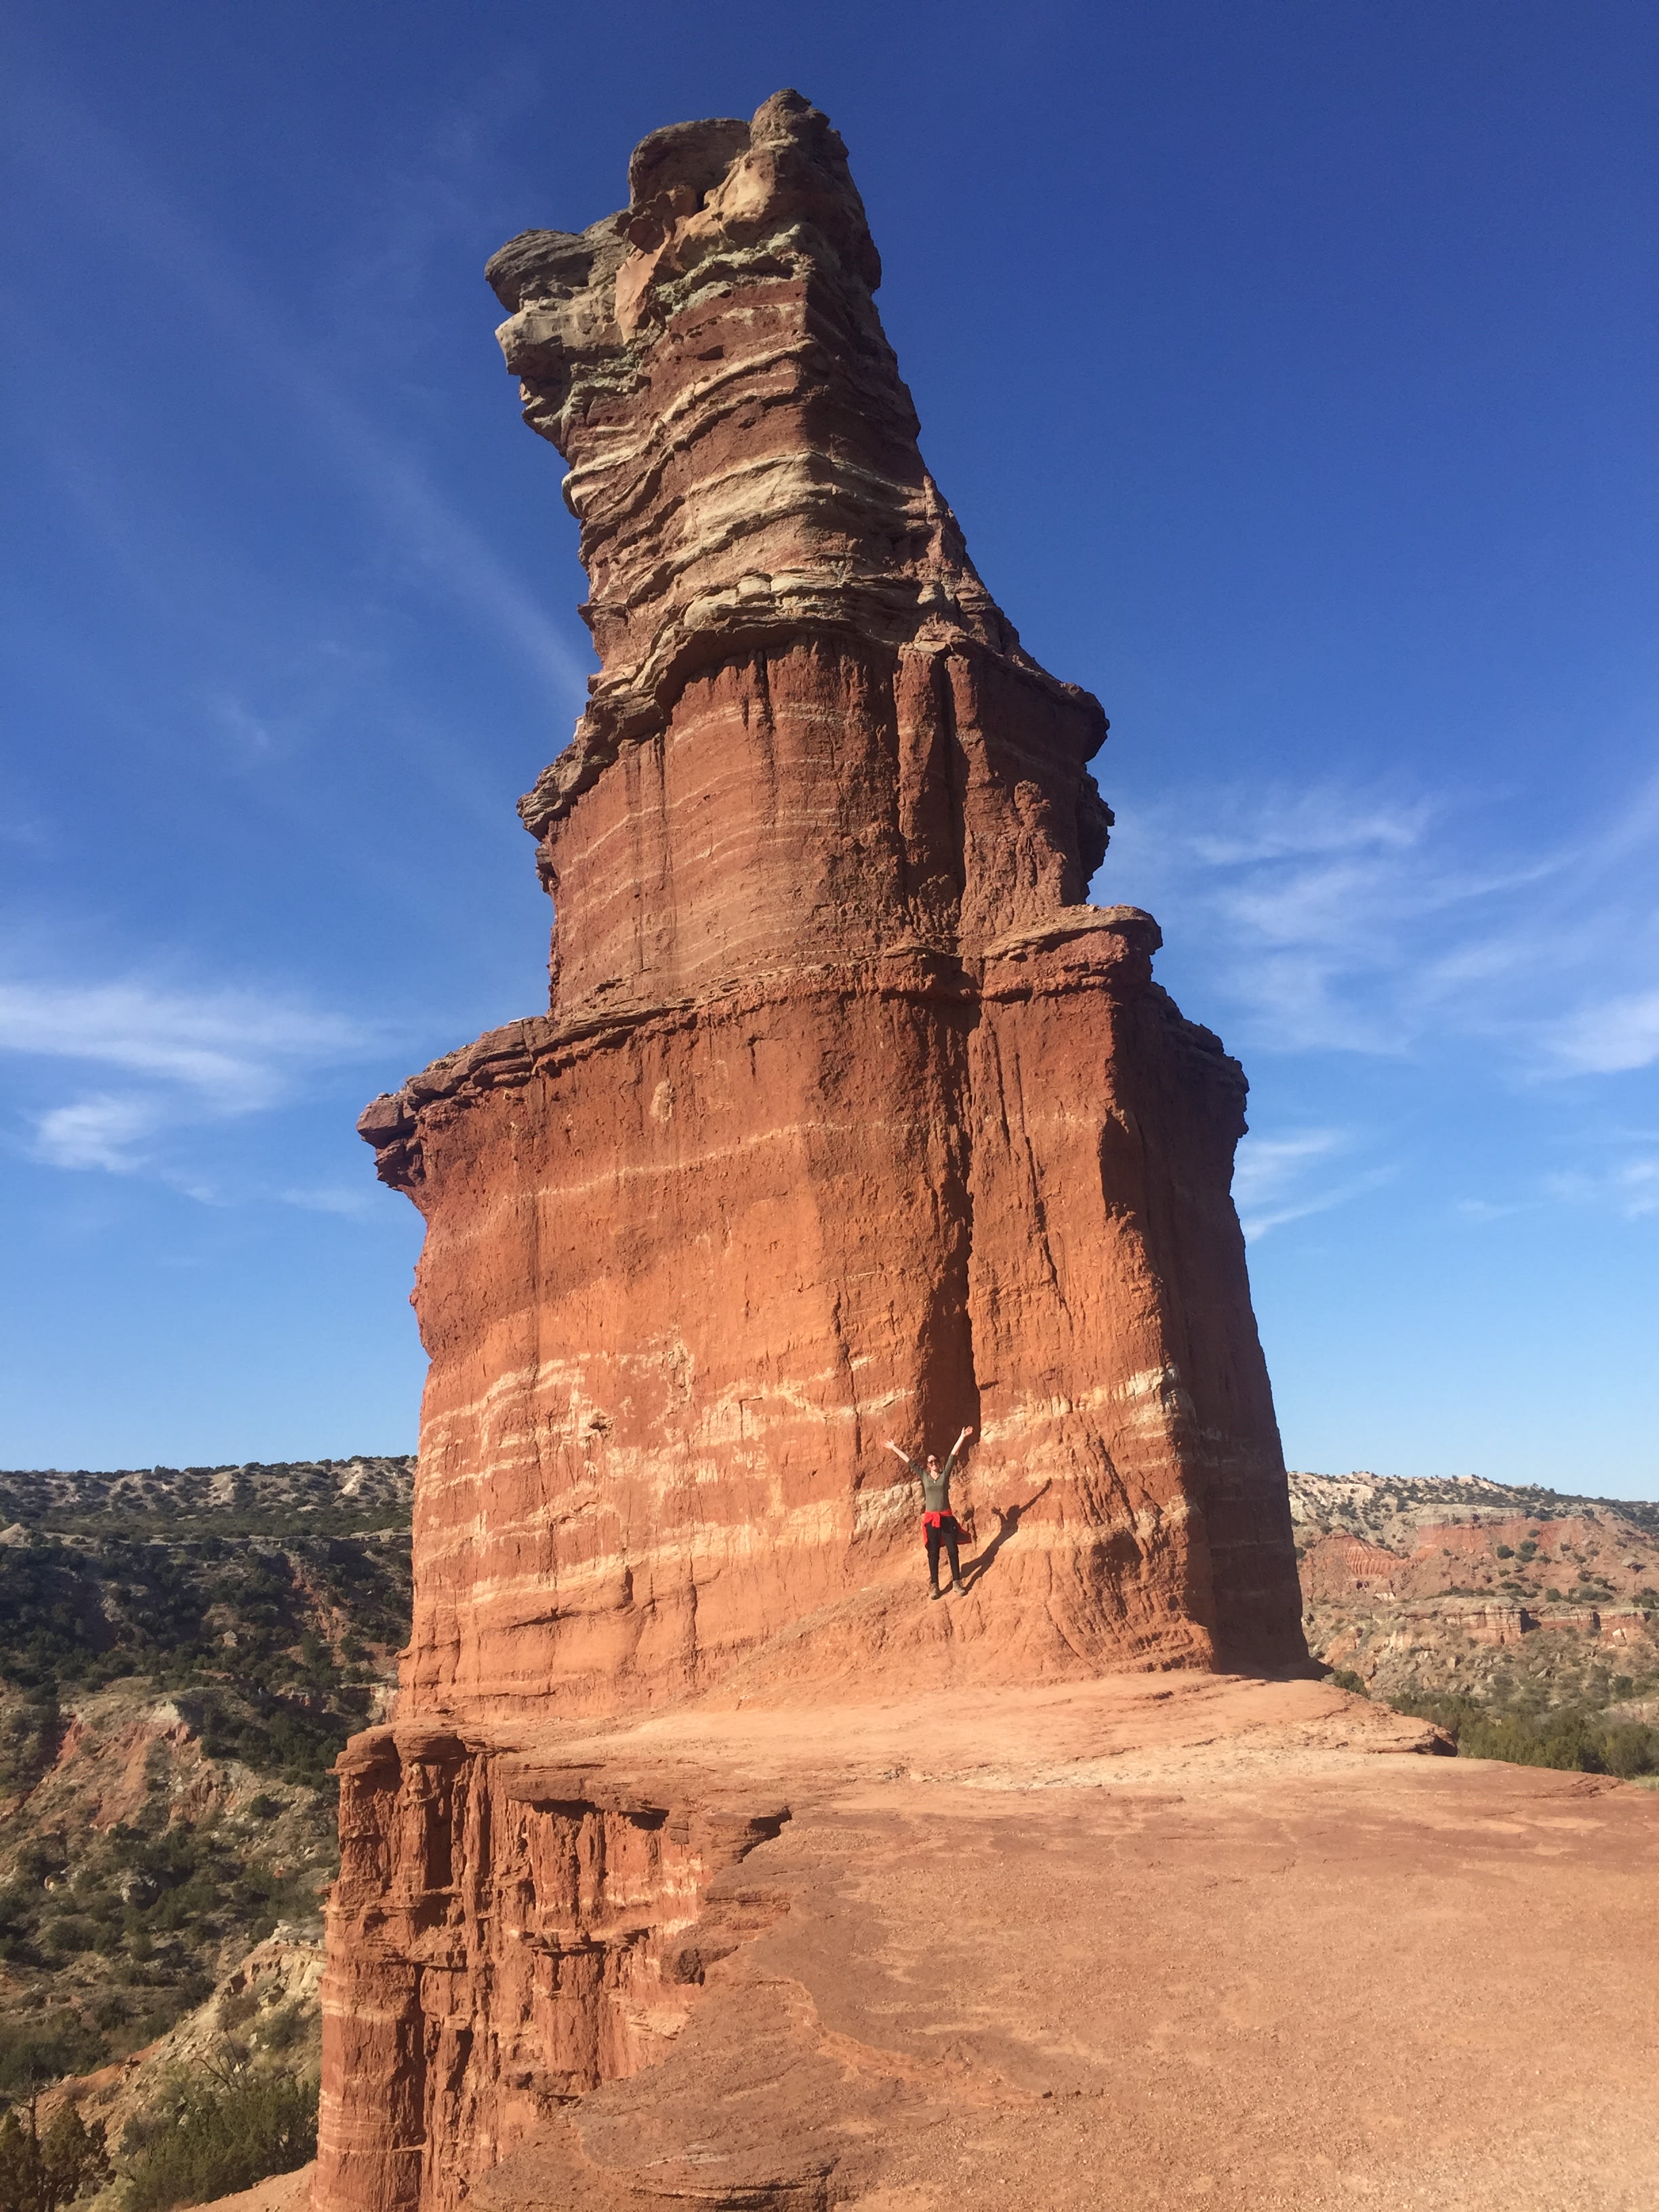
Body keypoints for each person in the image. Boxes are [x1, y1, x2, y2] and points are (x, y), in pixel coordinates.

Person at [884, 1426, 974, 1598]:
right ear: (927, 1465)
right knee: (933, 1552)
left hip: (946, 1518)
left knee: (952, 1550)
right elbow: (909, 1461)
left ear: (939, 1464)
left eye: (935, 1461)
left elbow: (953, 1456)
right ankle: (935, 1586)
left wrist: (962, 1436)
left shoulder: (944, 1475)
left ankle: (957, 1582)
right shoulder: (924, 1476)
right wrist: (894, 1448)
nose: (933, 1464)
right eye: (930, 1462)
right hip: (931, 1520)